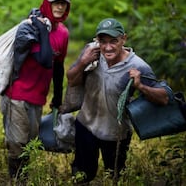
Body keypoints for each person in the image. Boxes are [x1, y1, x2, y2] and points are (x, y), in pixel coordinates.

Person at [66, 17, 169, 183]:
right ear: (96, 40)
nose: (107, 47)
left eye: (113, 41)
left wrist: (141, 86)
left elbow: (163, 98)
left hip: (116, 133)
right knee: (82, 175)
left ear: (124, 39)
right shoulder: (91, 52)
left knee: (115, 176)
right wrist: (84, 61)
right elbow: (71, 80)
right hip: (86, 125)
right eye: (102, 41)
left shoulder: (138, 66)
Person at [0, 0, 71, 181]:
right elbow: (45, 59)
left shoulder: (63, 33)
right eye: (55, 2)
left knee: (30, 143)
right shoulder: (30, 27)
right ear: (46, 3)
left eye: (63, 3)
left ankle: (22, 178)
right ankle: (17, 181)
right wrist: (42, 29)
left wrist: (58, 96)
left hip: (38, 96)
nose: (59, 7)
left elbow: (58, 66)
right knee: (17, 143)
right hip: (18, 94)